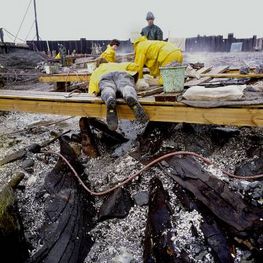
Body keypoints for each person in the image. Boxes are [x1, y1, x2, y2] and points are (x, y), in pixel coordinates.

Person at [89, 60, 148, 130]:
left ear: (98, 65)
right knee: (126, 86)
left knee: (107, 89)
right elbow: (136, 66)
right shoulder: (116, 64)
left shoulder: (96, 71)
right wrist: (136, 78)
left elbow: (93, 91)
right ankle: (129, 95)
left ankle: (109, 98)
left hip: (104, 77)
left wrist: (96, 92)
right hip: (121, 74)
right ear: (107, 62)